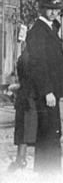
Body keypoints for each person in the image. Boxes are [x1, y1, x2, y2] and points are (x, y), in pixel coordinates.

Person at [23, 0, 63, 172]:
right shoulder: (38, 31)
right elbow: (38, 63)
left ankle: (48, 170)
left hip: (52, 88)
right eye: (49, 8)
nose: (53, 12)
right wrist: (47, 90)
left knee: (51, 131)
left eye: (56, 9)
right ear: (41, 9)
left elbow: (51, 59)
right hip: (47, 91)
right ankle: (48, 172)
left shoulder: (50, 28)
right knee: (49, 132)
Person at [9, 25, 34, 171]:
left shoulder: (24, 56)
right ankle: (21, 160)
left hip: (24, 97)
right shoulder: (30, 57)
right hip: (29, 98)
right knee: (27, 130)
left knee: (23, 131)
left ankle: (21, 159)